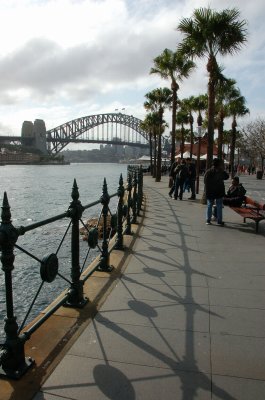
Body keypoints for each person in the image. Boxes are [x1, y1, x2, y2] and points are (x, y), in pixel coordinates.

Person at [204, 158, 229, 225]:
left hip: (210, 191)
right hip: (219, 191)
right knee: (219, 206)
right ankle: (219, 221)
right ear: (219, 164)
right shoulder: (220, 171)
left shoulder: (208, 171)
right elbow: (227, 176)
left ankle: (208, 220)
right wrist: (222, 170)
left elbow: (204, 181)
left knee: (209, 205)